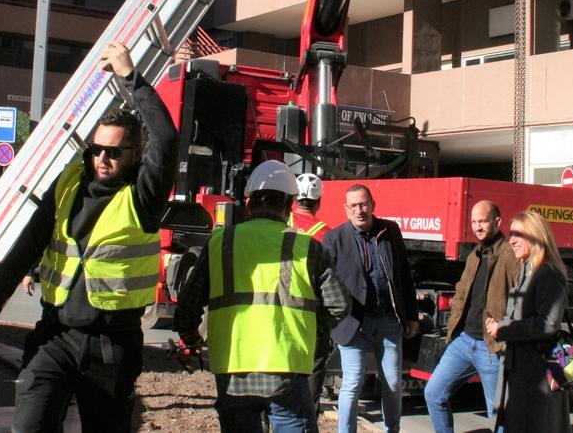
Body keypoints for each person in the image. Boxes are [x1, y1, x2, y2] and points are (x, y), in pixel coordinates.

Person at [0, 40, 177, 433]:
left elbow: (167, 139)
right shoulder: (69, 183)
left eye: (114, 152)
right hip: (55, 334)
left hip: (111, 345)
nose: (102, 159)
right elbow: (27, 247)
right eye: (95, 150)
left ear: (135, 154)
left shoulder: (142, 196)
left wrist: (131, 77)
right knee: (29, 426)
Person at [173, 160, 350, 432]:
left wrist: (192, 340)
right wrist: (312, 333)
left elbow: (188, 306)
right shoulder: (307, 246)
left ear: (248, 204)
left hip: (232, 366)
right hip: (287, 366)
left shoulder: (220, 242)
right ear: (289, 205)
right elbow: (339, 305)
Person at [322, 184, 419, 433]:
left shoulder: (390, 231)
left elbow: (404, 276)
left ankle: (392, 429)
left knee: (394, 384)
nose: (359, 210)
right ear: (346, 210)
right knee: (352, 383)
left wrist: (411, 316)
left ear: (373, 205)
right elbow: (324, 283)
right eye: (353, 205)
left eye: (363, 204)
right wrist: (331, 320)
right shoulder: (334, 238)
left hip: (388, 320)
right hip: (353, 323)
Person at [424, 200, 517, 433]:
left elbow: (524, 299)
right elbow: (462, 292)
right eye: (474, 221)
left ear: (497, 221)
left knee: (498, 416)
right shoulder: (475, 254)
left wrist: (507, 330)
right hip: (463, 341)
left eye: (483, 221)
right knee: (433, 394)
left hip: (492, 346)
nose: (477, 226)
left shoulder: (510, 255)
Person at [487, 210, 571, 433]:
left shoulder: (548, 273)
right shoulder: (527, 268)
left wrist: (503, 329)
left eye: (517, 235)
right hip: (522, 368)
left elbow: (547, 323)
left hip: (537, 372)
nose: (511, 240)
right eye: (511, 234)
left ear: (535, 237)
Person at [289, 172, 334, 411]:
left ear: (294, 198)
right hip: (312, 317)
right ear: (319, 202)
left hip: (280, 312)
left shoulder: (281, 225)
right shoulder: (326, 233)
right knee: (313, 369)